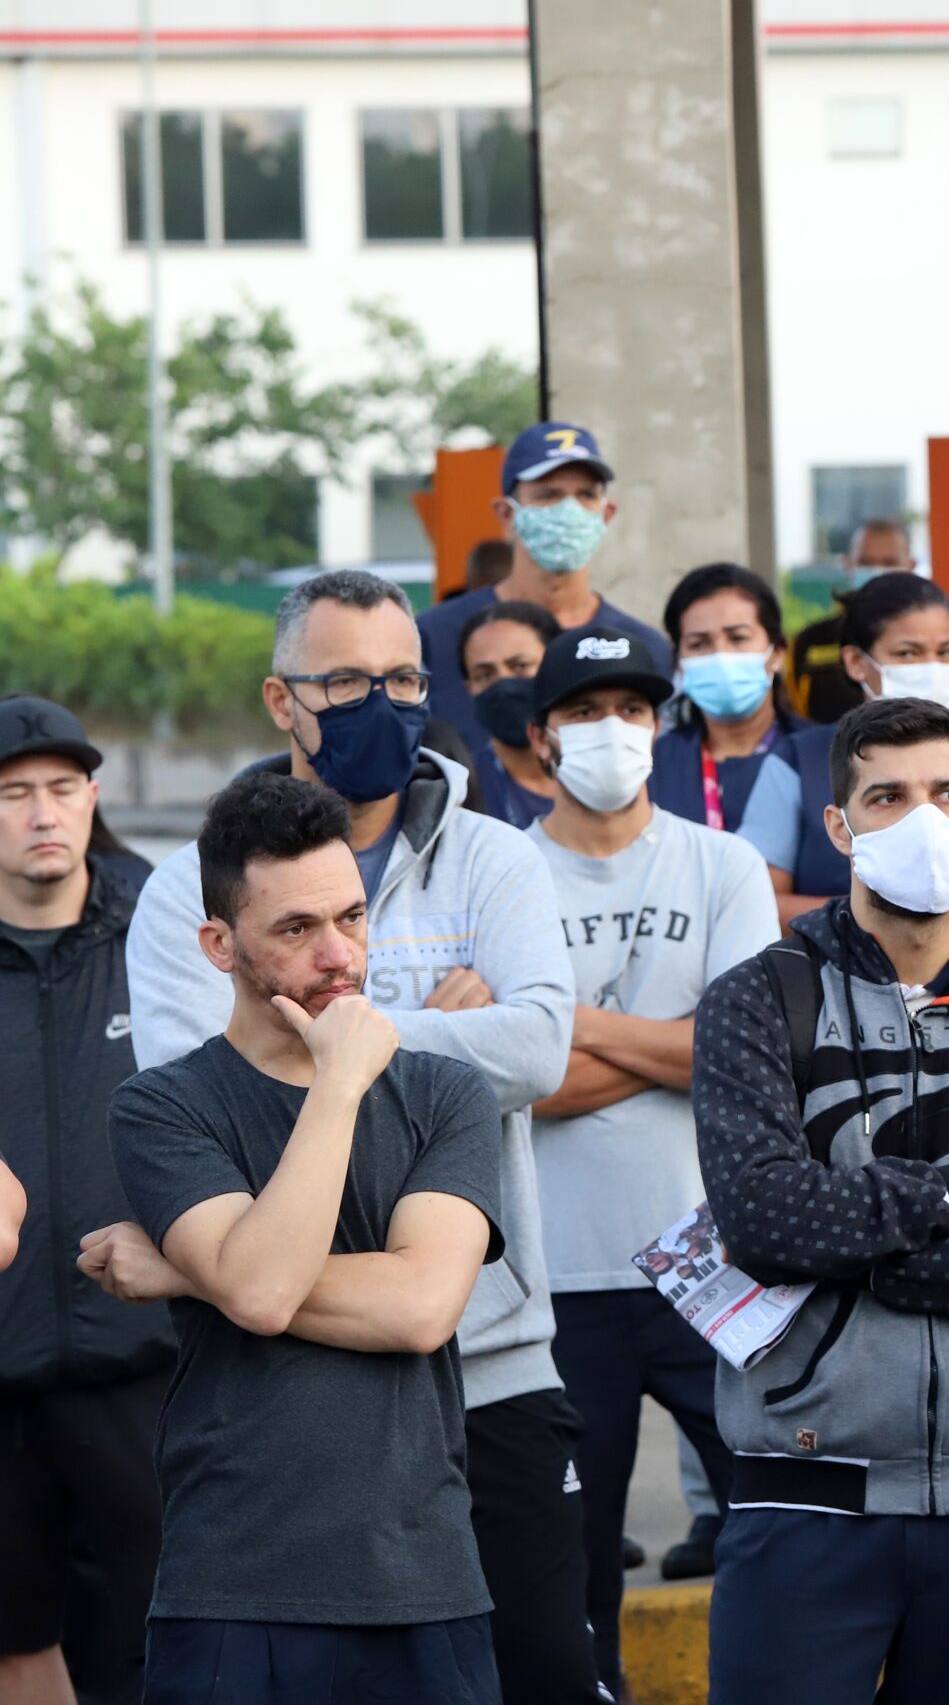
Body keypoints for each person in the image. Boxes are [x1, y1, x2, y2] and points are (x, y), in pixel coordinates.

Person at [123, 569, 594, 1704]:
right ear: (282, 699)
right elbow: (214, 1089)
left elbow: (534, 1051)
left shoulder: (496, 854)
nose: (380, 703)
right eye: (346, 680)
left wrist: (358, 1042)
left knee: (541, 1671)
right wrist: (417, 1039)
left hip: (492, 1372)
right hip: (268, 1425)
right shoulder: (187, 883)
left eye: (401, 678)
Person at [690, 695, 949, 1705]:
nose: (924, 819)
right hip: (802, 1495)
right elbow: (760, 1221)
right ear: (838, 827)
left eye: (947, 792)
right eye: (887, 797)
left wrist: (847, 1237)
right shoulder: (756, 998)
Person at [82, 772, 508, 1705]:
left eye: (351, 918)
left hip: (421, 1578)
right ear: (218, 944)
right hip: (233, 1584)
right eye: (295, 929)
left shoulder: (446, 1094)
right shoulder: (163, 1106)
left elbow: (421, 1307)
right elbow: (265, 1292)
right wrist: (339, 1085)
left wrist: (195, 1273)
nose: (338, 956)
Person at [515, 628, 772, 1694]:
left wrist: (565, 1024)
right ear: (538, 738)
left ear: (661, 723)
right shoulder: (502, 870)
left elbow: (744, 1052)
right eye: (583, 711)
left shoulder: (722, 862)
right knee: (573, 1577)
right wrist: (676, 1043)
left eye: (631, 707)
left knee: (779, 1519)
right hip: (559, 1280)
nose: (610, 731)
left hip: (710, 1259)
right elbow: (522, 1079)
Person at [0, 698, 171, 1705]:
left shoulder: (161, 933)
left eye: (62, 789)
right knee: (17, 1648)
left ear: (94, 798)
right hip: (3, 1380)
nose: (41, 814)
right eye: (14, 793)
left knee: (152, 1645)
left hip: (144, 1370)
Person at [741, 574, 949, 954]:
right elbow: (756, 904)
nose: (931, 667)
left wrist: (948, 910)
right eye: (908, 653)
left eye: (946, 652)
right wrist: (881, 915)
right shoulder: (800, 761)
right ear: (856, 662)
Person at [418, 421, 674, 754]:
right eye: (548, 494)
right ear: (506, 513)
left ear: (606, 513)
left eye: (586, 494)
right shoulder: (434, 636)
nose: (569, 511)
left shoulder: (639, 647)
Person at [655, 563, 806, 835]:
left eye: (738, 638)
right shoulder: (653, 765)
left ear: (777, 653)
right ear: (679, 664)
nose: (721, 655)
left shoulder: (822, 755)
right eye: (699, 644)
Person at [790, 517, 917, 725]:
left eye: (890, 563)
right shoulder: (809, 642)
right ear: (848, 565)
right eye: (866, 563)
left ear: (910, 565)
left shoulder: (936, 639)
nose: (877, 572)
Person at [457, 599, 562, 828]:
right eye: (485, 674)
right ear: (469, 688)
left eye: (520, 666)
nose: (503, 683)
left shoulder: (610, 775)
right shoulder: (462, 793)